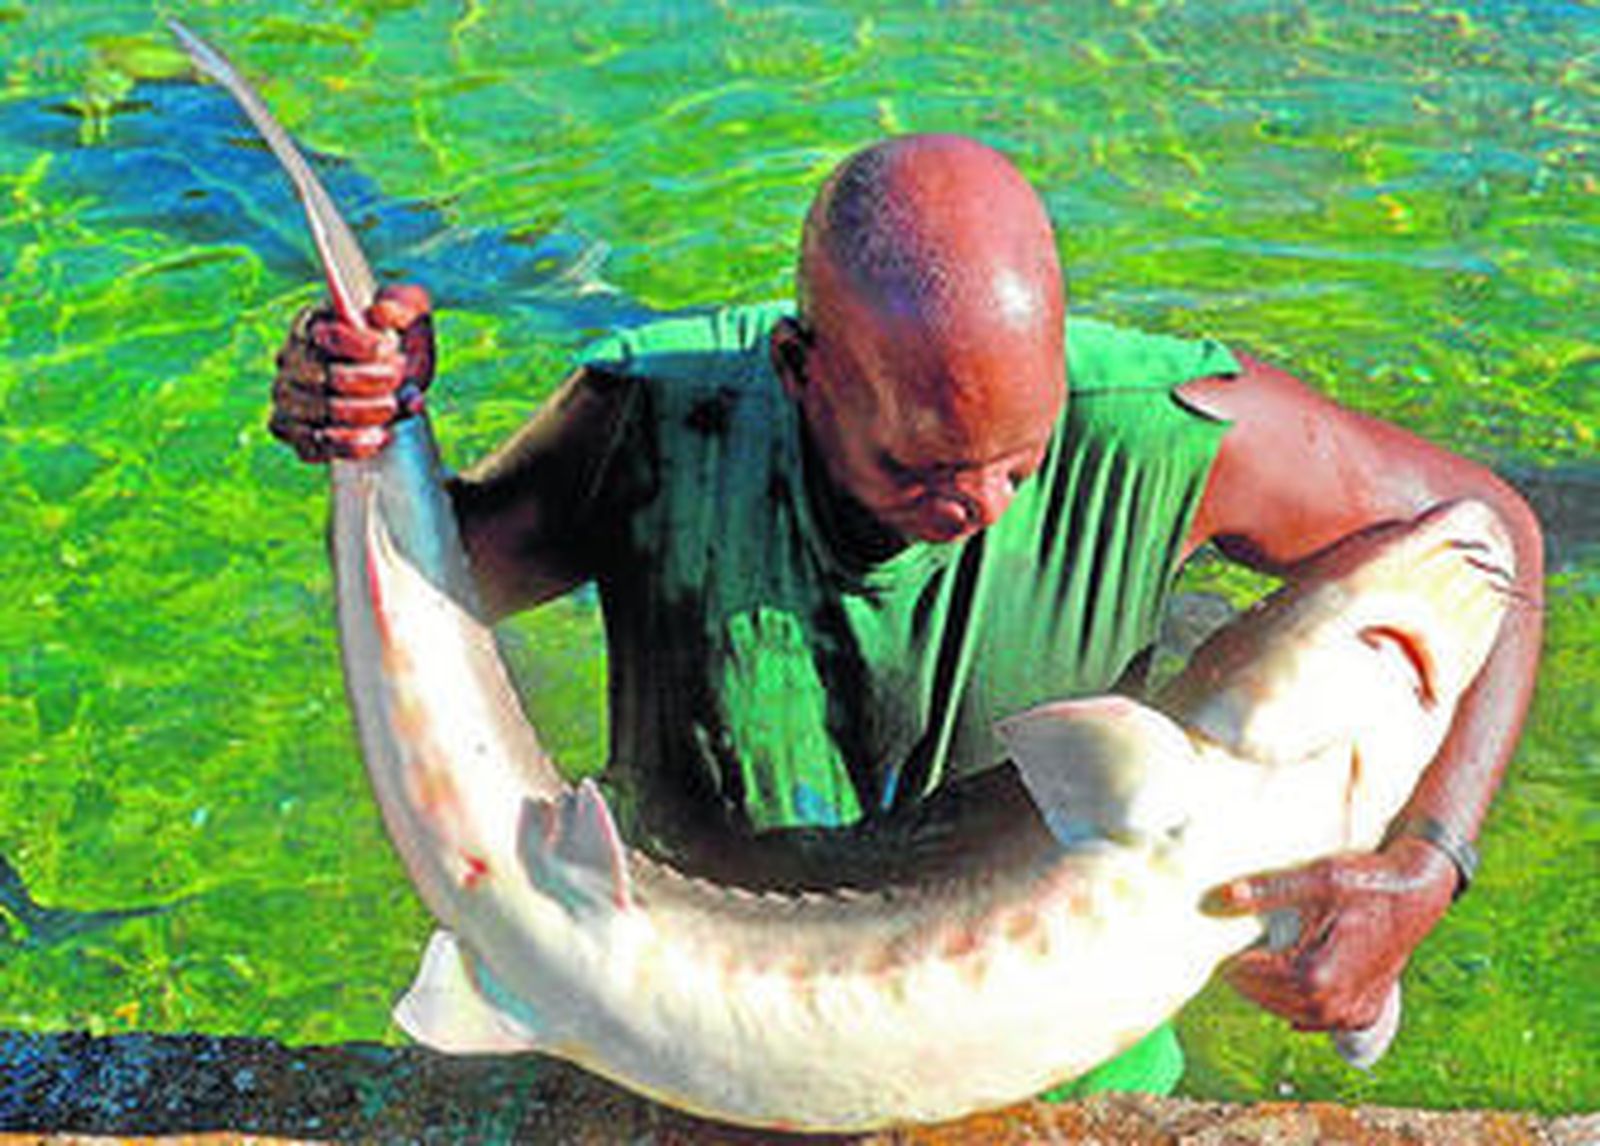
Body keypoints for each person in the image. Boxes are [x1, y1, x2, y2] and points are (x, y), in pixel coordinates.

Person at [270, 134, 1543, 1098]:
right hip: (668, 1028)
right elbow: (440, 593)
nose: (981, 502)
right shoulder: (654, 415)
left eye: (1021, 460)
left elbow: (1495, 534)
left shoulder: (1164, 426)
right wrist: (369, 428)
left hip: (1075, 1077)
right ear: (800, 370)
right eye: (922, 469)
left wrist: (1429, 864)